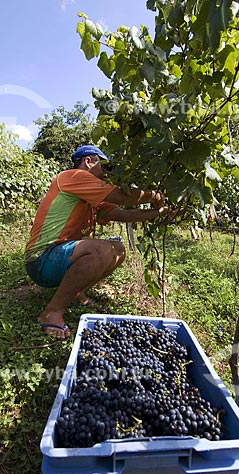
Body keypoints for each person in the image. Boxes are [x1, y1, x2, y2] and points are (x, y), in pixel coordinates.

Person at [24, 144, 168, 340]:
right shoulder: (72, 177)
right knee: (101, 250)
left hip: (63, 256)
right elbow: (121, 196)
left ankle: (77, 292)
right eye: (105, 166)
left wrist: (157, 213)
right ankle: (52, 312)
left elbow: (122, 214)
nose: (108, 173)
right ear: (88, 161)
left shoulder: (93, 196)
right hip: (41, 259)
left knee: (118, 249)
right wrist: (155, 195)